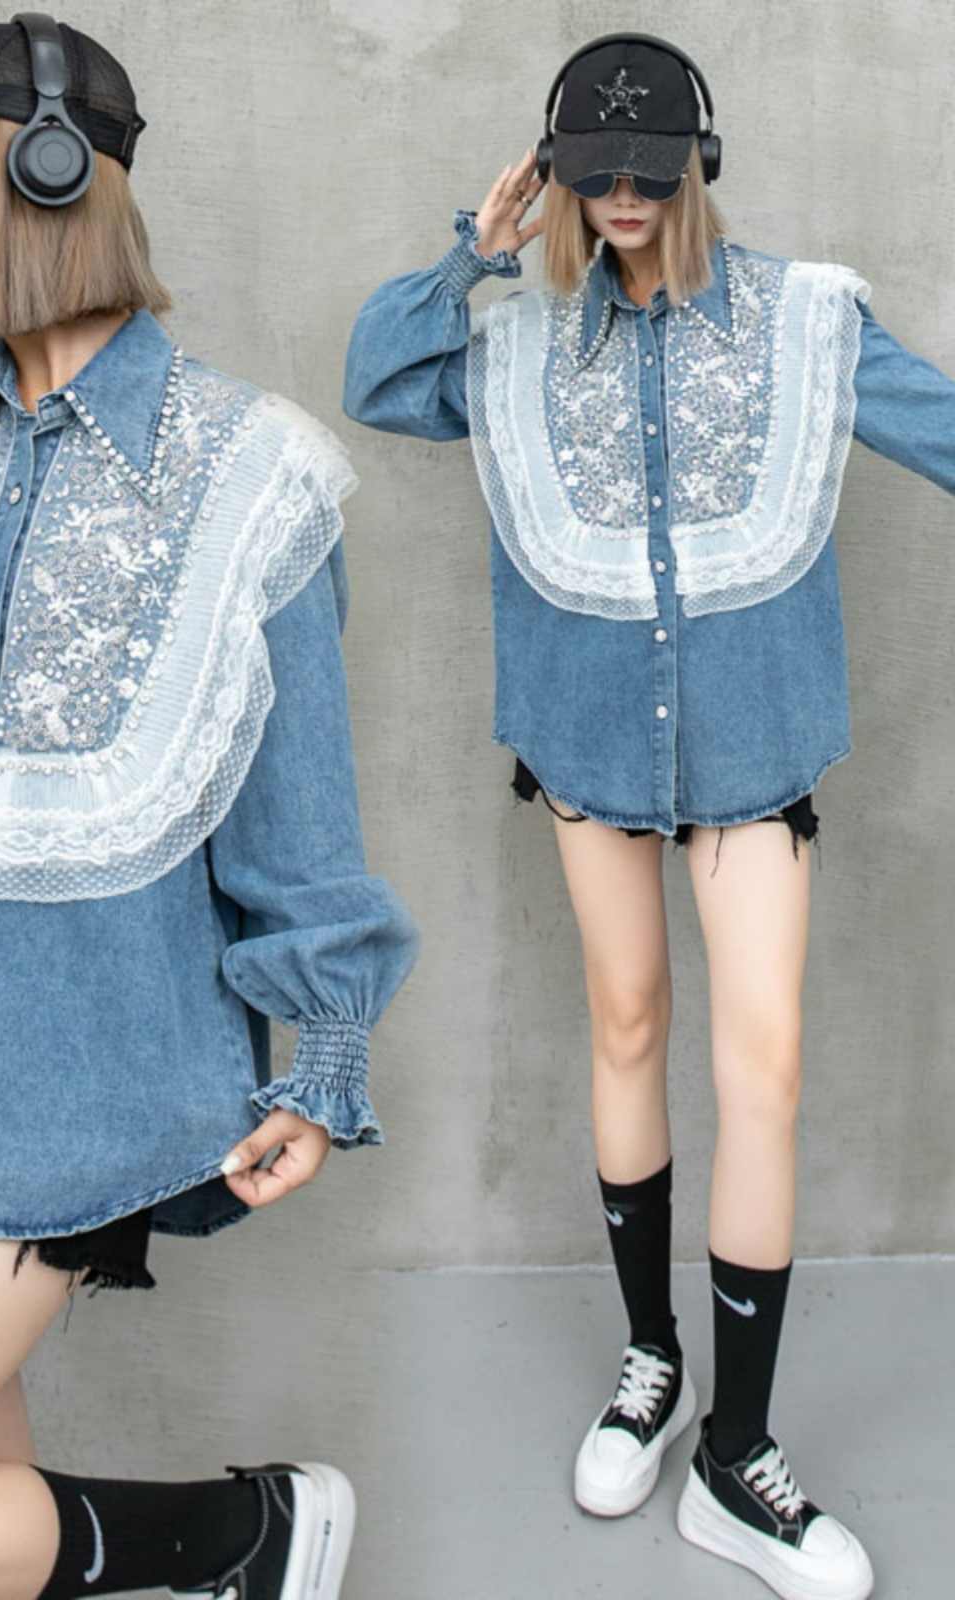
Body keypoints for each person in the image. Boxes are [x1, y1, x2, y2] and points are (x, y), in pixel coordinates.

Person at [0, 15, 418, 1599]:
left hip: (66, 1099)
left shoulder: (248, 478)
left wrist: (326, 1050)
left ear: (34, 178)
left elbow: (298, 821)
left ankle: (243, 1533)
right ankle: (238, 1559)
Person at [343, 28, 955, 1600]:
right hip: (592, 744)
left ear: (702, 165)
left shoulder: (807, 321)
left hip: (752, 750)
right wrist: (471, 249)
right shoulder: (517, 337)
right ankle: (653, 1362)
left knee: (767, 1064)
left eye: (650, 170)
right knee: (625, 1026)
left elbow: (944, 427)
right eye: (593, 170)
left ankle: (739, 1459)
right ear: (555, 171)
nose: (622, 197)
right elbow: (377, 381)